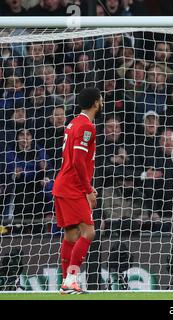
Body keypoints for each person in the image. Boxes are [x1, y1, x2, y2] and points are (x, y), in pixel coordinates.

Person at [52, 87, 103, 294]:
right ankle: (71, 278)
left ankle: (66, 283)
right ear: (96, 103)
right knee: (89, 232)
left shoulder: (74, 122)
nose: (102, 102)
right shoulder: (87, 127)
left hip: (63, 185)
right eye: (100, 100)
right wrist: (88, 190)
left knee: (71, 236)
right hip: (72, 187)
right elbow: (78, 162)